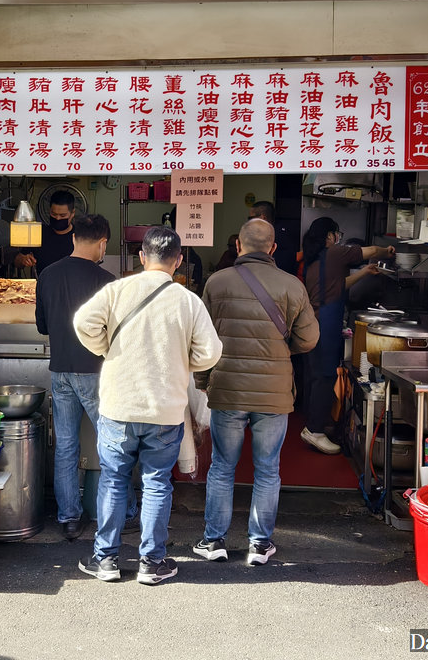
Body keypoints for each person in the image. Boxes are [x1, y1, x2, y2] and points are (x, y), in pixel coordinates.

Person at [74, 226, 222, 585]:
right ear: (179, 260)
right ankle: (151, 564)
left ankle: (105, 560)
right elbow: (210, 353)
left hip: (119, 407)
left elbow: (83, 322)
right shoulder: (188, 301)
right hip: (165, 410)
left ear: (142, 257)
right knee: (157, 484)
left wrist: (105, 349)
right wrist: (185, 360)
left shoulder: (116, 289)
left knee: (113, 480)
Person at [193, 218, 319, 566]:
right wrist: (280, 350)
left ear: (238, 246)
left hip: (228, 390)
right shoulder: (292, 285)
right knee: (268, 469)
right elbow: (309, 339)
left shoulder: (217, 283)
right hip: (273, 393)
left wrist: (203, 382)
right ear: (273, 249)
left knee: (221, 467)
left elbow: (202, 342)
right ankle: (260, 545)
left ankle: (213, 541)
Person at [34, 213, 139, 540]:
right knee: (113, 443)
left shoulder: (47, 275)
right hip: (97, 374)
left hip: (60, 371)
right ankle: (127, 512)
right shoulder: (108, 283)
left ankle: (69, 518)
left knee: (65, 446)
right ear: (103, 243)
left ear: (73, 237)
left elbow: (42, 326)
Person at [299, 217, 395, 454]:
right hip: (325, 324)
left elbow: (339, 284)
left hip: (314, 324)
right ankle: (314, 430)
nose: (338, 238)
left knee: (319, 376)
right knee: (325, 376)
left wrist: (364, 272)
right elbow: (371, 250)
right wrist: (387, 250)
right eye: (336, 234)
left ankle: (316, 425)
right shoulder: (335, 253)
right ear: (330, 236)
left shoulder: (316, 260)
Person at [12, 189, 76, 274]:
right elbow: (18, 261)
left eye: (62, 215)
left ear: (72, 213)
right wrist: (23, 260)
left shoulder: (80, 237)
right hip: (44, 285)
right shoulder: (38, 233)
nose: (57, 218)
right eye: (54, 214)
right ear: (49, 211)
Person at [248, 200, 298, 275]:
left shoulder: (279, 235)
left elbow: (290, 259)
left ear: (262, 218)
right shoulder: (262, 235)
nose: (249, 222)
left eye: (251, 218)